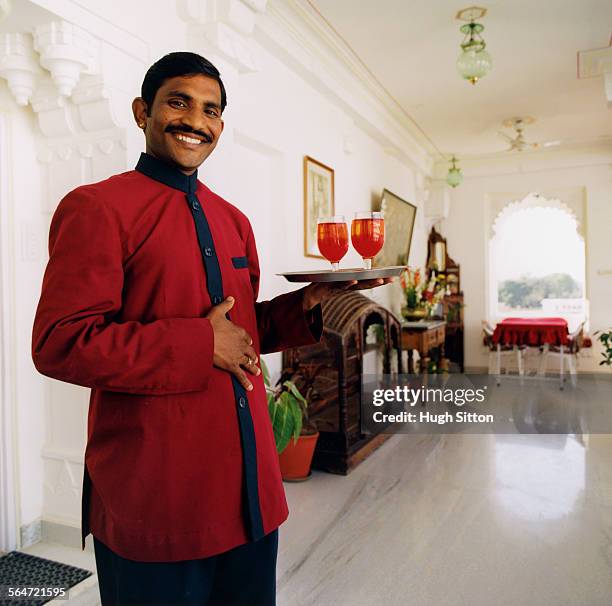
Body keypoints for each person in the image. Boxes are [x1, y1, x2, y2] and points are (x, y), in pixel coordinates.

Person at [31, 52, 390, 605]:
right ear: (141, 112)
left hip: (249, 491)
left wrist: (309, 303)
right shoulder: (96, 208)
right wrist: (201, 343)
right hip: (157, 498)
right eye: (178, 102)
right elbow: (61, 344)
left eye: (211, 110)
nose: (196, 121)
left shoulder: (233, 220)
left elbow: (241, 331)